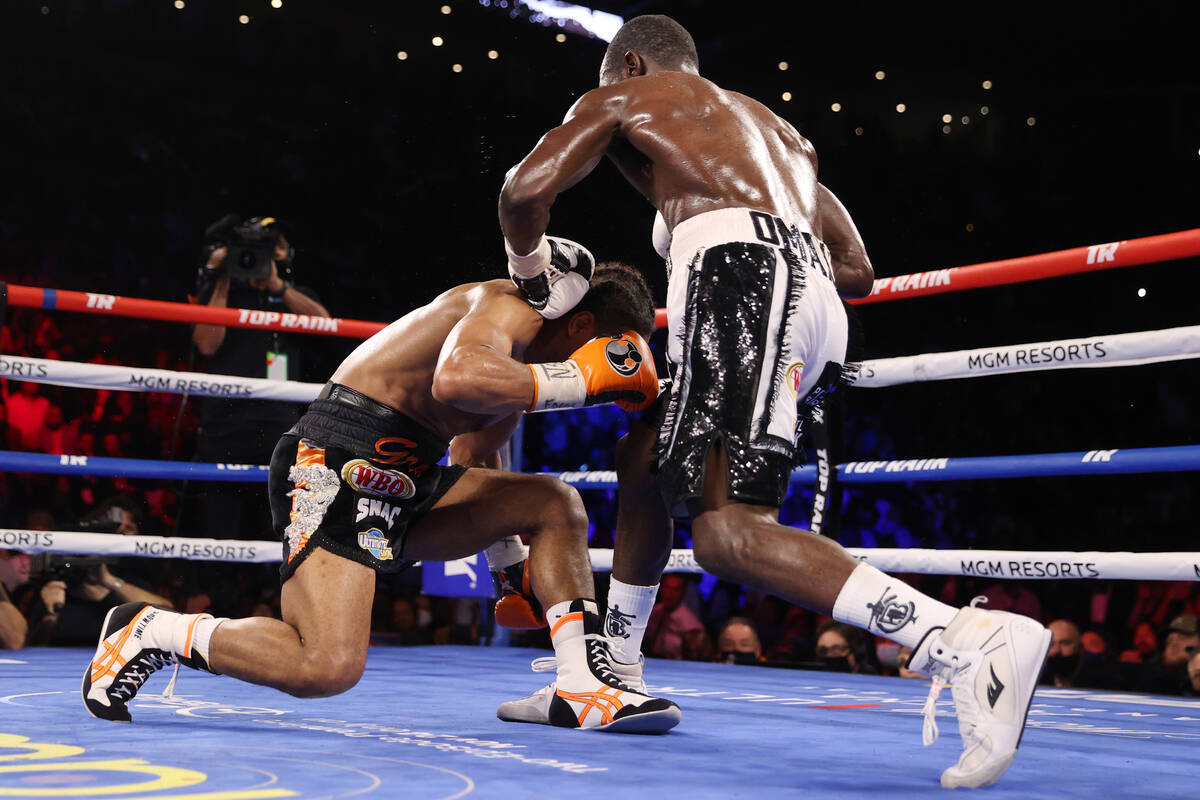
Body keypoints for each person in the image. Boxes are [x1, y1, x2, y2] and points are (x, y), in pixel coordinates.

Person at [494, 14, 1051, 788]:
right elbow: (858, 270)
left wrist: (532, 277)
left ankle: (960, 638)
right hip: (807, 298)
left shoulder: (630, 96)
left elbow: (523, 190)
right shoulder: (772, 136)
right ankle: (611, 668)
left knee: (727, 534)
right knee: (645, 456)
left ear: (631, 65)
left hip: (741, 284)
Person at [84, 261, 682, 733]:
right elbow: (455, 377)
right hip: (336, 458)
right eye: (600, 355)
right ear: (580, 326)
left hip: (410, 476)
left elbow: (475, 453)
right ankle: (151, 630)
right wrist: (575, 380)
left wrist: (508, 569)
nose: (598, 375)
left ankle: (579, 686)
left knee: (553, 502)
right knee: (325, 667)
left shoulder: (524, 368)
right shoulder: (502, 305)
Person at [191, 216, 330, 540]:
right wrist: (223, 278)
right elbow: (206, 344)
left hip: (278, 425)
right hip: (224, 423)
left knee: (282, 526)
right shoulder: (221, 294)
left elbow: (324, 325)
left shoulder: (294, 296)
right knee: (220, 527)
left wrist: (276, 286)